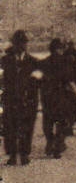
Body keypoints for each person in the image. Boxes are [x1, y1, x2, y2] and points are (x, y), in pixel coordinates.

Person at [2, 30, 42, 165]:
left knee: (27, 127)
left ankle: (24, 154)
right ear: (14, 44)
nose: (21, 46)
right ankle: (12, 155)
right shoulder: (4, 61)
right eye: (18, 43)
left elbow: (38, 81)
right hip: (10, 99)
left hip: (28, 100)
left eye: (23, 43)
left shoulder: (33, 61)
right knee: (10, 127)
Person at [40, 38, 76, 158]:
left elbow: (39, 79)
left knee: (47, 121)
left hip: (47, 95)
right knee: (62, 121)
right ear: (59, 49)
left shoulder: (44, 62)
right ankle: (57, 145)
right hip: (60, 95)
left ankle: (49, 141)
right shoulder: (65, 62)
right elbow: (69, 80)